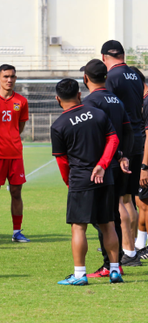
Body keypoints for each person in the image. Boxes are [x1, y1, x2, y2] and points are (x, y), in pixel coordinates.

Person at [51, 78, 122, 285]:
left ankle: (80, 275)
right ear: (79, 95)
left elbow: (62, 162)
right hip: (105, 177)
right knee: (108, 224)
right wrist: (103, 164)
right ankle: (115, 270)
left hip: (81, 180)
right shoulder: (99, 114)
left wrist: (69, 183)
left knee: (78, 227)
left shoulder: (59, 125)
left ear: (58, 99)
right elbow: (114, 140)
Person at [80, 59, 133, 277]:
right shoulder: (117, 100)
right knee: (111, 215)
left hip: (101, 167)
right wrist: (124, 156)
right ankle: (115, 263)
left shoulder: (90, 102)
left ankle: (109, 264)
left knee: (100, 218)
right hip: (119, 164)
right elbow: (128, 131)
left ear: (85, 78)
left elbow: (93, 137)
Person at [102, 40, 144, 266]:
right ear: (123, 54)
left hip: (123, 141)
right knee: (129, 198)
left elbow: (111, 110)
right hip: (138, 138)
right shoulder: (135, 75)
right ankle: (134, 248)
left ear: (104, 57)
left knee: (119, 197)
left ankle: (127, 251)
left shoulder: (112, 78)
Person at [0, 64, 29, 243]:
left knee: (16, 192)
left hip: (16, 155)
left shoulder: (21, 101)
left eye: (12, 77)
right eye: (6, 76)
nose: (9, 80)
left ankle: (17, 232)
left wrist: (11, 138)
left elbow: (20, 126)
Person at [134, 67, 148, 258]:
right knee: (140, 202)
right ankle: (139, 244)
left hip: (146, 162)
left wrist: (144, 166)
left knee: (144, 203)